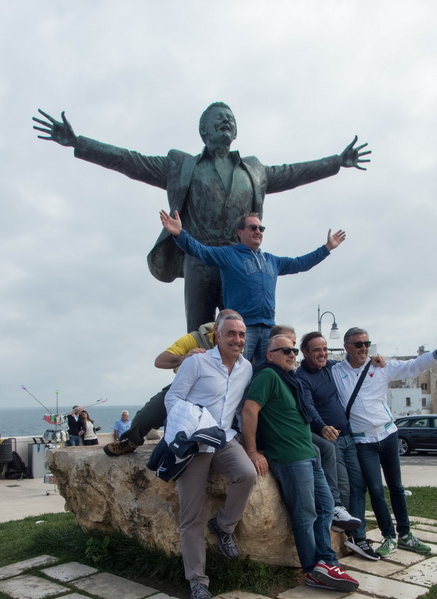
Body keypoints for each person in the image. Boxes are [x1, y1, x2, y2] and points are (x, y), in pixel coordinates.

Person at [32, 102, 370, 332]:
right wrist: (79, 143)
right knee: (198, 335)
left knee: (240, 333)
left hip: (238, 263)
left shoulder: (254, 170)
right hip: (198, 256)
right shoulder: (182, 166)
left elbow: (296, 171)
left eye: (231, 118)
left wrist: (336, 162)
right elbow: (129, 161)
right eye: (218, 117)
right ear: (202, 130)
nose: (226, 121)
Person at [241, 336, 359, 593]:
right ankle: (312, 568)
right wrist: (251, 450)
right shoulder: (268, 376)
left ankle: (326, 561)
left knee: (326, 506)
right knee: (306, 513)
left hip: (308, 453)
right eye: (285, 350)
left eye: (293, 350)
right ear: (270, 355)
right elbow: (250, 410)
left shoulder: (289, 379)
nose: (292, 354)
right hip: (289, 457)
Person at [160, 209, 345, 364]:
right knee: (238, 371)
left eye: (261, 228)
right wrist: (179, 234)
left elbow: (300, 263)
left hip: (268, 327)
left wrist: (327, 248)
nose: (258, 231)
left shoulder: (271, 260)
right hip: (244, 328)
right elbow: (201, 251)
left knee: (267, 372)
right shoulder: (229, 255)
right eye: (253, 227)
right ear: (240, 232)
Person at [332, 328, 437, 555]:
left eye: (367, 343)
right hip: (363, 441)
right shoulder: (336, 371)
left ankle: (406, 534)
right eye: (358, 344)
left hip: (388, 435)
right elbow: (313, 366)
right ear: (346, 346)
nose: (364, 348)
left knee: (397, 487)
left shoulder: (380, 367)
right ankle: (389, 536)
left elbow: (412, 367)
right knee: (376, 490)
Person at [164, 313, 257, 599]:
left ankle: (224, 526)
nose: (237, 340)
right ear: (217, 333)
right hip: (194, 441)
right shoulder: (197, 362)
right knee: (191, 514)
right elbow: (173, 399)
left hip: (225, 438)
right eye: (231, 333)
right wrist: (196, 423)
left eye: (241, 334)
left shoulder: (247, 368)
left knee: (247, 474)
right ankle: (198, 582)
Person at [103, 310, 242, 457]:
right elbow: (160, 361)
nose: (236, 338)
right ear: (216, 329)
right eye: (229, 331)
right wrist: (183, 359)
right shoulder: (196, 338)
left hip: (215, 392)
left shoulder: (238, 343)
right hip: (185, 387)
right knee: (146, 416)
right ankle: (130, 441)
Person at [297, 332, 384, 559]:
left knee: (359, 485)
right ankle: (354, 534)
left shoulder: (330, 367)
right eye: (316, 350)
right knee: (344, 486)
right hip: (330, 439)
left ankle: (357, 536)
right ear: (305, 352)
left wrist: (374, 360)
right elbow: (308, 406)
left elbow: (353, 363)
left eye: (325, 348)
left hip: (349, 436)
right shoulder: (302, 376)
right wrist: (321, 425)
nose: (322, 353)